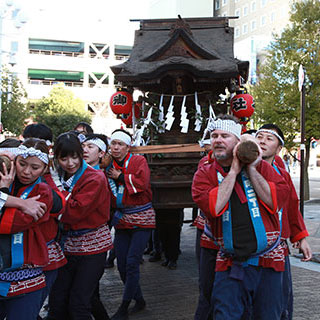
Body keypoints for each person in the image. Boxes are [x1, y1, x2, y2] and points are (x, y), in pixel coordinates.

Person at [192, 114, 290, 320]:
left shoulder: (263, 166)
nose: (218, 140)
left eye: (225, 136)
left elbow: (276, 201)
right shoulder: (205, 173)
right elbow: (214, 207)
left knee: (268, 315)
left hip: (268, 262)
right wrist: (234, 170)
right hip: (229, 262)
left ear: (237, 141)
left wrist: (252, 169)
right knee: (224, 315)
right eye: (214, 135)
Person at [46, 132, 112, 320]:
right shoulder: (58, 174)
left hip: (92, 246)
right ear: (56, 158)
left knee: (79, 303)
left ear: (81, 153)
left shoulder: (95, 178)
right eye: (63, 158)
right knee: (58, 301)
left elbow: (73, 212)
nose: (70, 163)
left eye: (74, 156)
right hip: (66, 246)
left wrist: (54, 185)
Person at [255, 124, 312, 320]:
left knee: (278, 302)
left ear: (279, 149)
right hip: (245, 248)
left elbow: (291, 206)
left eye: (269, 139)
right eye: (259, 136)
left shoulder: (281, 173)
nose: (262, 141)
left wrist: (300, 236)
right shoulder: (238, 168)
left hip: (276, 249)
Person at [0, 139, 54, 320]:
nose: (26, 171)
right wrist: (10, 194)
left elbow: (10, 224)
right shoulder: (5, 180)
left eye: (35, 167)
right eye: (22, 164)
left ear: (45, 169)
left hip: (26, 276)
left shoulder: (43, 191)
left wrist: (4, 195)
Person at [105, 129, 155, 320]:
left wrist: (119, 177)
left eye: (120, 144)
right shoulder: (107, 164)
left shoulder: (138, 161)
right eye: (113, 144)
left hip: (142, 217)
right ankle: (139, 299)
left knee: (133, 262)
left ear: (128, 146)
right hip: (122, 219)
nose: (116, 147)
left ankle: (124, 306)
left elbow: (142, 183)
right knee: (123, 265)